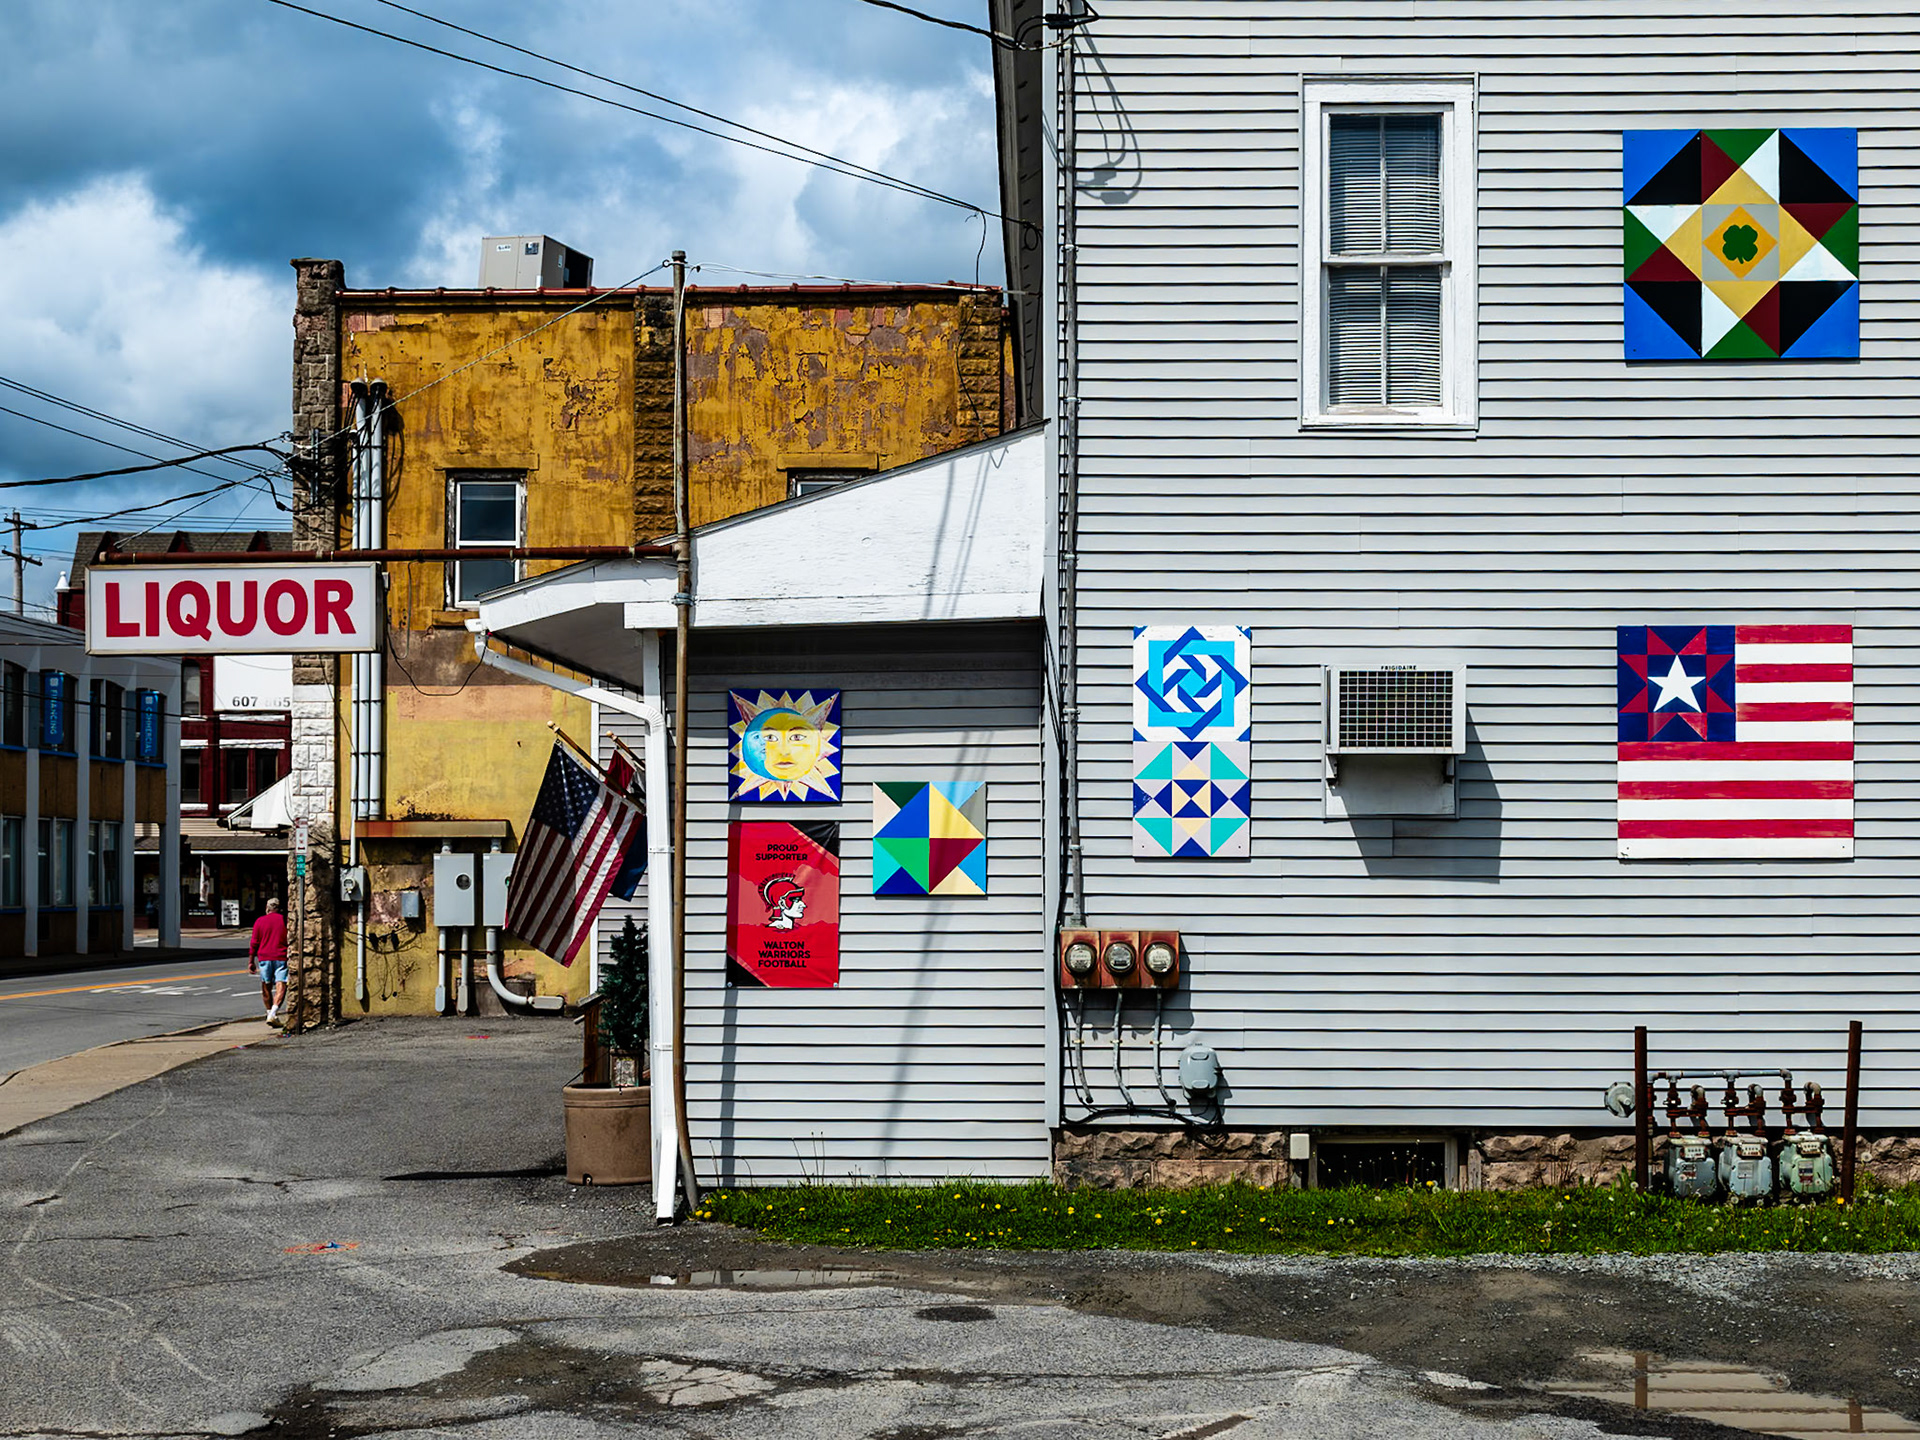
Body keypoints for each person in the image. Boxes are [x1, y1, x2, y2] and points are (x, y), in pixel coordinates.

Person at [250, 898, 289, 1025]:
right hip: (281, 957)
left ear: (267, 908)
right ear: (278, 908)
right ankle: (273, 1012)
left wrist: (251, 960)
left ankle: (269, 1013)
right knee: (281, 985)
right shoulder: (285, 920)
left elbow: (254, 942)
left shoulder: (260, 921)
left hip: (265, 958)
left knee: (266, 986)